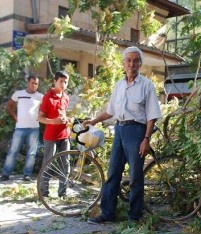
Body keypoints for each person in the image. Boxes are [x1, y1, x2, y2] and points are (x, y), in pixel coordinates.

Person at [84, 46, 162, 224]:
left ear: (140, 64)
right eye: (128, 60)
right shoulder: (118, 86)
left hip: (136, 132)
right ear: (123, 63)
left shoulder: (146, 86)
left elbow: (152, 116)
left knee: (135, 177)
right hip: (119, 130)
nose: (132, 64)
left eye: (135, 61)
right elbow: (111, 111)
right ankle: (107, 213)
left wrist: (146, 139)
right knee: (113, 174)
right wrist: (94, 121)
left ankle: (134, 217)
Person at [0, 75, 43, 182]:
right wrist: (15, 117)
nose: (34, 85)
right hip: (20, 128)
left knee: (31, 153)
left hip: (34, 129)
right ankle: (6, 174)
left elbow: (44, 110)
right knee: (13, 151)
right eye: (32, 83)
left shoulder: (41, 96)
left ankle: (27, 175)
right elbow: (9, 105)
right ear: (28, 82)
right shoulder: (19, 94)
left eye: (36, 84)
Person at [38, 70, 71, 197]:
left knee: (66, 164)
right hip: (51, 136)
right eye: (61, 81)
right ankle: (44, 192)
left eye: (66, 82)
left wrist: (68, 120)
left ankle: (62, 193)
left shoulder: (66, 97)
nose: (63, 84)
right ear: (55, 81)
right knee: (48, 163)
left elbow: (63, 115)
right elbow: (40, 118)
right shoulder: (48, 97)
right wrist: (53, 121)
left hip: (65, 135)